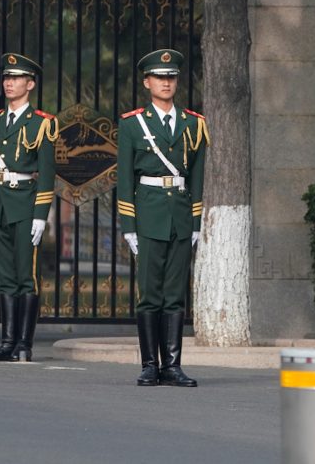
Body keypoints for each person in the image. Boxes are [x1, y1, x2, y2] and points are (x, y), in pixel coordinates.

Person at [117, 49, 209, 387]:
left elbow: (197, 177)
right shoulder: (132, 124)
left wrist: (196, 222)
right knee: (149, 293)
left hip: (181, 217)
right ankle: (149, 364)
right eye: (159, 76)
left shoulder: (194, 123)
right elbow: (124, 178)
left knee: (175, 294)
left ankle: (172, 365)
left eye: (171, 76)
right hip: (148, 214)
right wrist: (129, 225)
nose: (166, 82)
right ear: (147, 82)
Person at [0, 53, 58, 362]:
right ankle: (7, 342)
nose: (9, 82)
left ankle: (24, 344)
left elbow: (47, 173)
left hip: (25, 203)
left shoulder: (43, 123)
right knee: (5, 276)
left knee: (27, 276)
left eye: (17, 78)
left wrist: (40, 215)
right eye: (7, 77)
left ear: (30, 84)